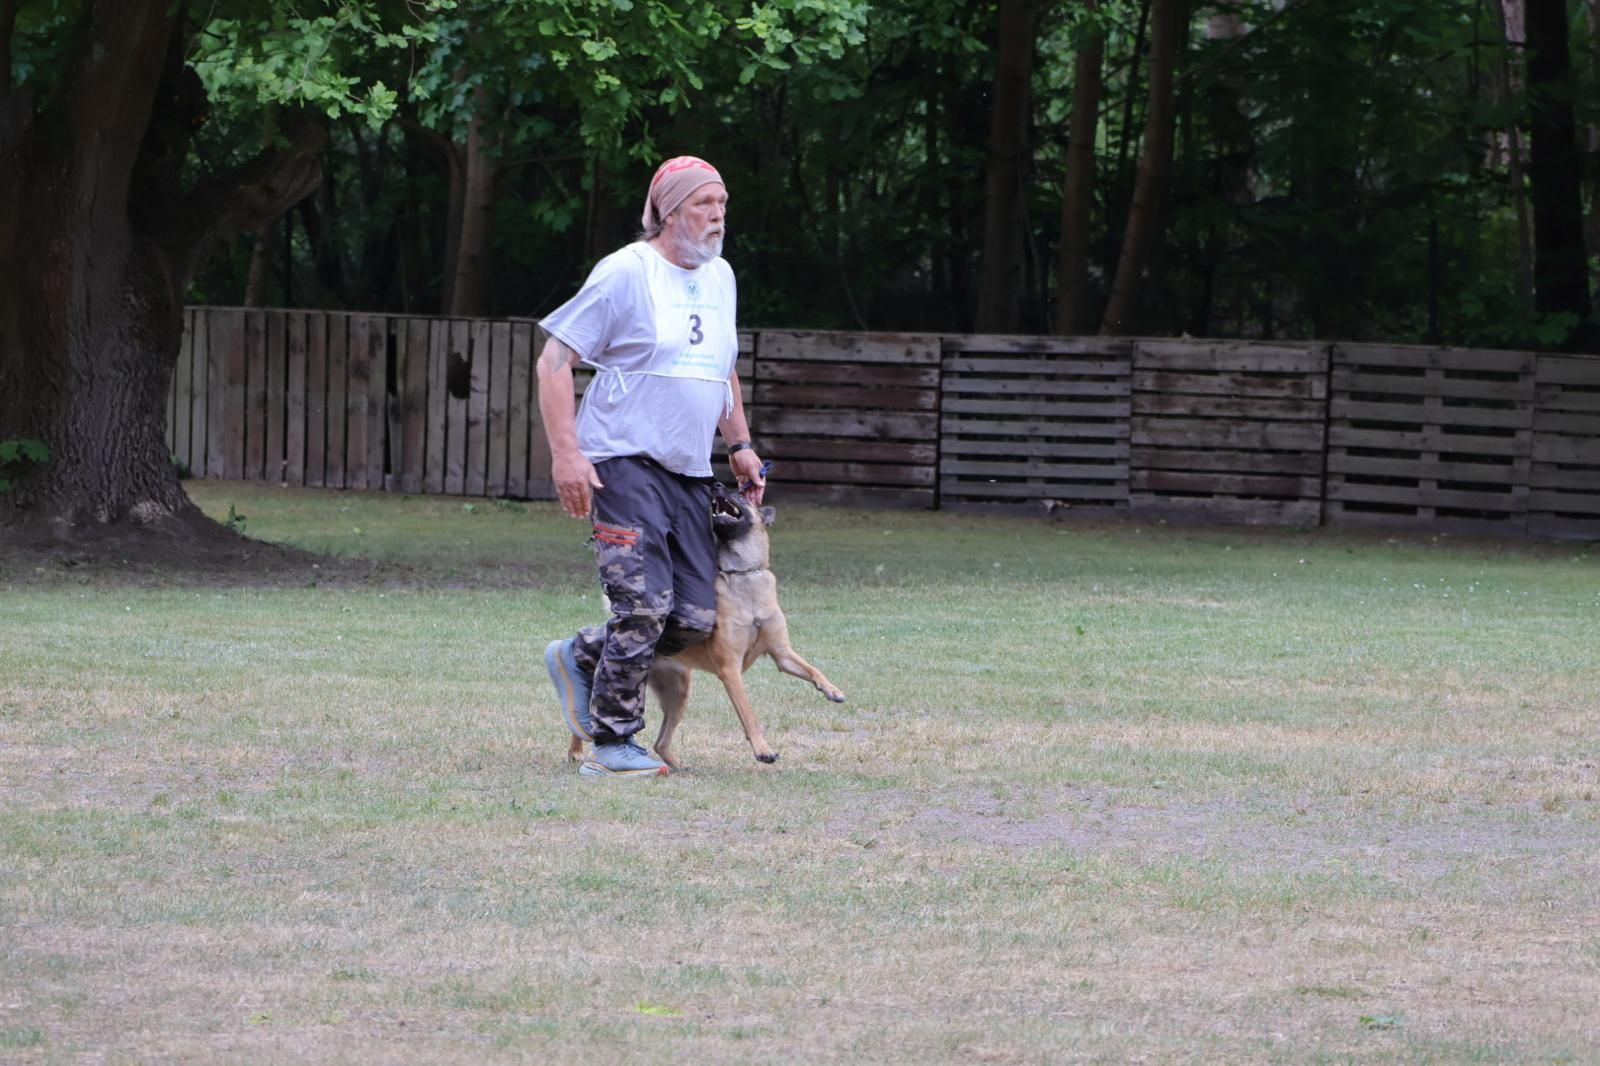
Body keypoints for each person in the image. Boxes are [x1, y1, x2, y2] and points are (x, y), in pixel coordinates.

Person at [536, 156, 766, 777]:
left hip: (688, 470)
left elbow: (720, 367)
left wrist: (740, 444)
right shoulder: (626, 272)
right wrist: (567, 454)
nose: (717, 216)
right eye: (703, 204)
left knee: (692, 617)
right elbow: (553, 362)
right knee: (642, 605)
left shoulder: (721, 276)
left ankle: (580, 655)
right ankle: (612, 744)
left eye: (722, 203)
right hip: (621, 460)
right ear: (668, 212)